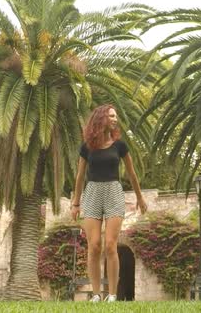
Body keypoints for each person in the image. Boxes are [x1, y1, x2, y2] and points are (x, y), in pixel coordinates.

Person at [71, 104, 147, 303]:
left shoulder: (119, 145)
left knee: (111, 245)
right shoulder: (87, 146)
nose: (115, 119)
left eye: (116, 116)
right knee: (94, 245)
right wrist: (75, 203)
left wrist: (140, 197)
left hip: (113, 192)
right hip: (92, 193)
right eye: (112, 116)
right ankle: (96, 294)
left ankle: (112, 295)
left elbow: (131, 173)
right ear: (101, 117)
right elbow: (79, 177)